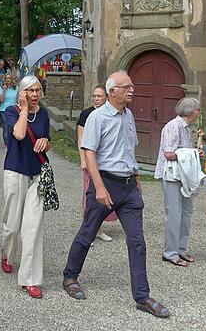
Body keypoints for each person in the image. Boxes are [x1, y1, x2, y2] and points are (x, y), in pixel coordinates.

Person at [62, 71, 171, 319]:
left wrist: (137, 180)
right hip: (106, 183)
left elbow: (129, 151)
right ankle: (70, 276)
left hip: (128, 187)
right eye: (127, 86)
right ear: (113, 91)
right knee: (88, 232)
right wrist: (99, 187)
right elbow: (89, 153)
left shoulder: (128, 115)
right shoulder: (97, 118)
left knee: (137, 241)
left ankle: (142, 297)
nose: (132, 89)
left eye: (131, 85)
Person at [1, 75, 51, 299]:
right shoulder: (11, 112)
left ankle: (30, 279)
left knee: (32, 227)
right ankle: (7, 253)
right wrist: (23, 109)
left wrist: (45, 142)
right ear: (22, 92)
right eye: (30, 91)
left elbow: (46, 139)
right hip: (15, 171)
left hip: (38, 174)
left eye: (37, 90)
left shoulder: (44, 113)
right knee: (12, 225)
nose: (34, 95)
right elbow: (19, 134)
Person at [154, 97, 202, 267]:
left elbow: (182, 151)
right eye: (197, 109)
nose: (199, 112)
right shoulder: (173, 127)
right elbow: (169, 153)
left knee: (187, 213)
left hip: (183, 174)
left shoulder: (186, 128)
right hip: (172, 175)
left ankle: (181, 249)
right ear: (190, 111)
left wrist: (194, 152)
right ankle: (170, 253)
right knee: (174, 214)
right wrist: (192, 154)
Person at [77, 85, 116, 242]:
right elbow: (81, 139)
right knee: (91, 194)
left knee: (105, 193)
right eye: (94, 96)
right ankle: (89, 231)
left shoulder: (109, 113)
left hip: (105, 161)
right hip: (90, 159)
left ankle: (98, 228)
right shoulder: (86, 114)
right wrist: (83, 160)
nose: (96, 98)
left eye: (99, 96)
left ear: (106, 97)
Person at [0, 74, 18, 151]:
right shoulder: (1, 88)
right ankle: (7, 145)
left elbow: (18, 99)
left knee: (14, 128)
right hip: (4, 110)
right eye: (6, 78)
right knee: (6, 128)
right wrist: (4, 91)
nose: (8, 79)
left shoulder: (16, 88)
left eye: (9, 78)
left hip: (14, 110)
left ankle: (13, 144)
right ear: (4, 80)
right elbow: (1, 100)